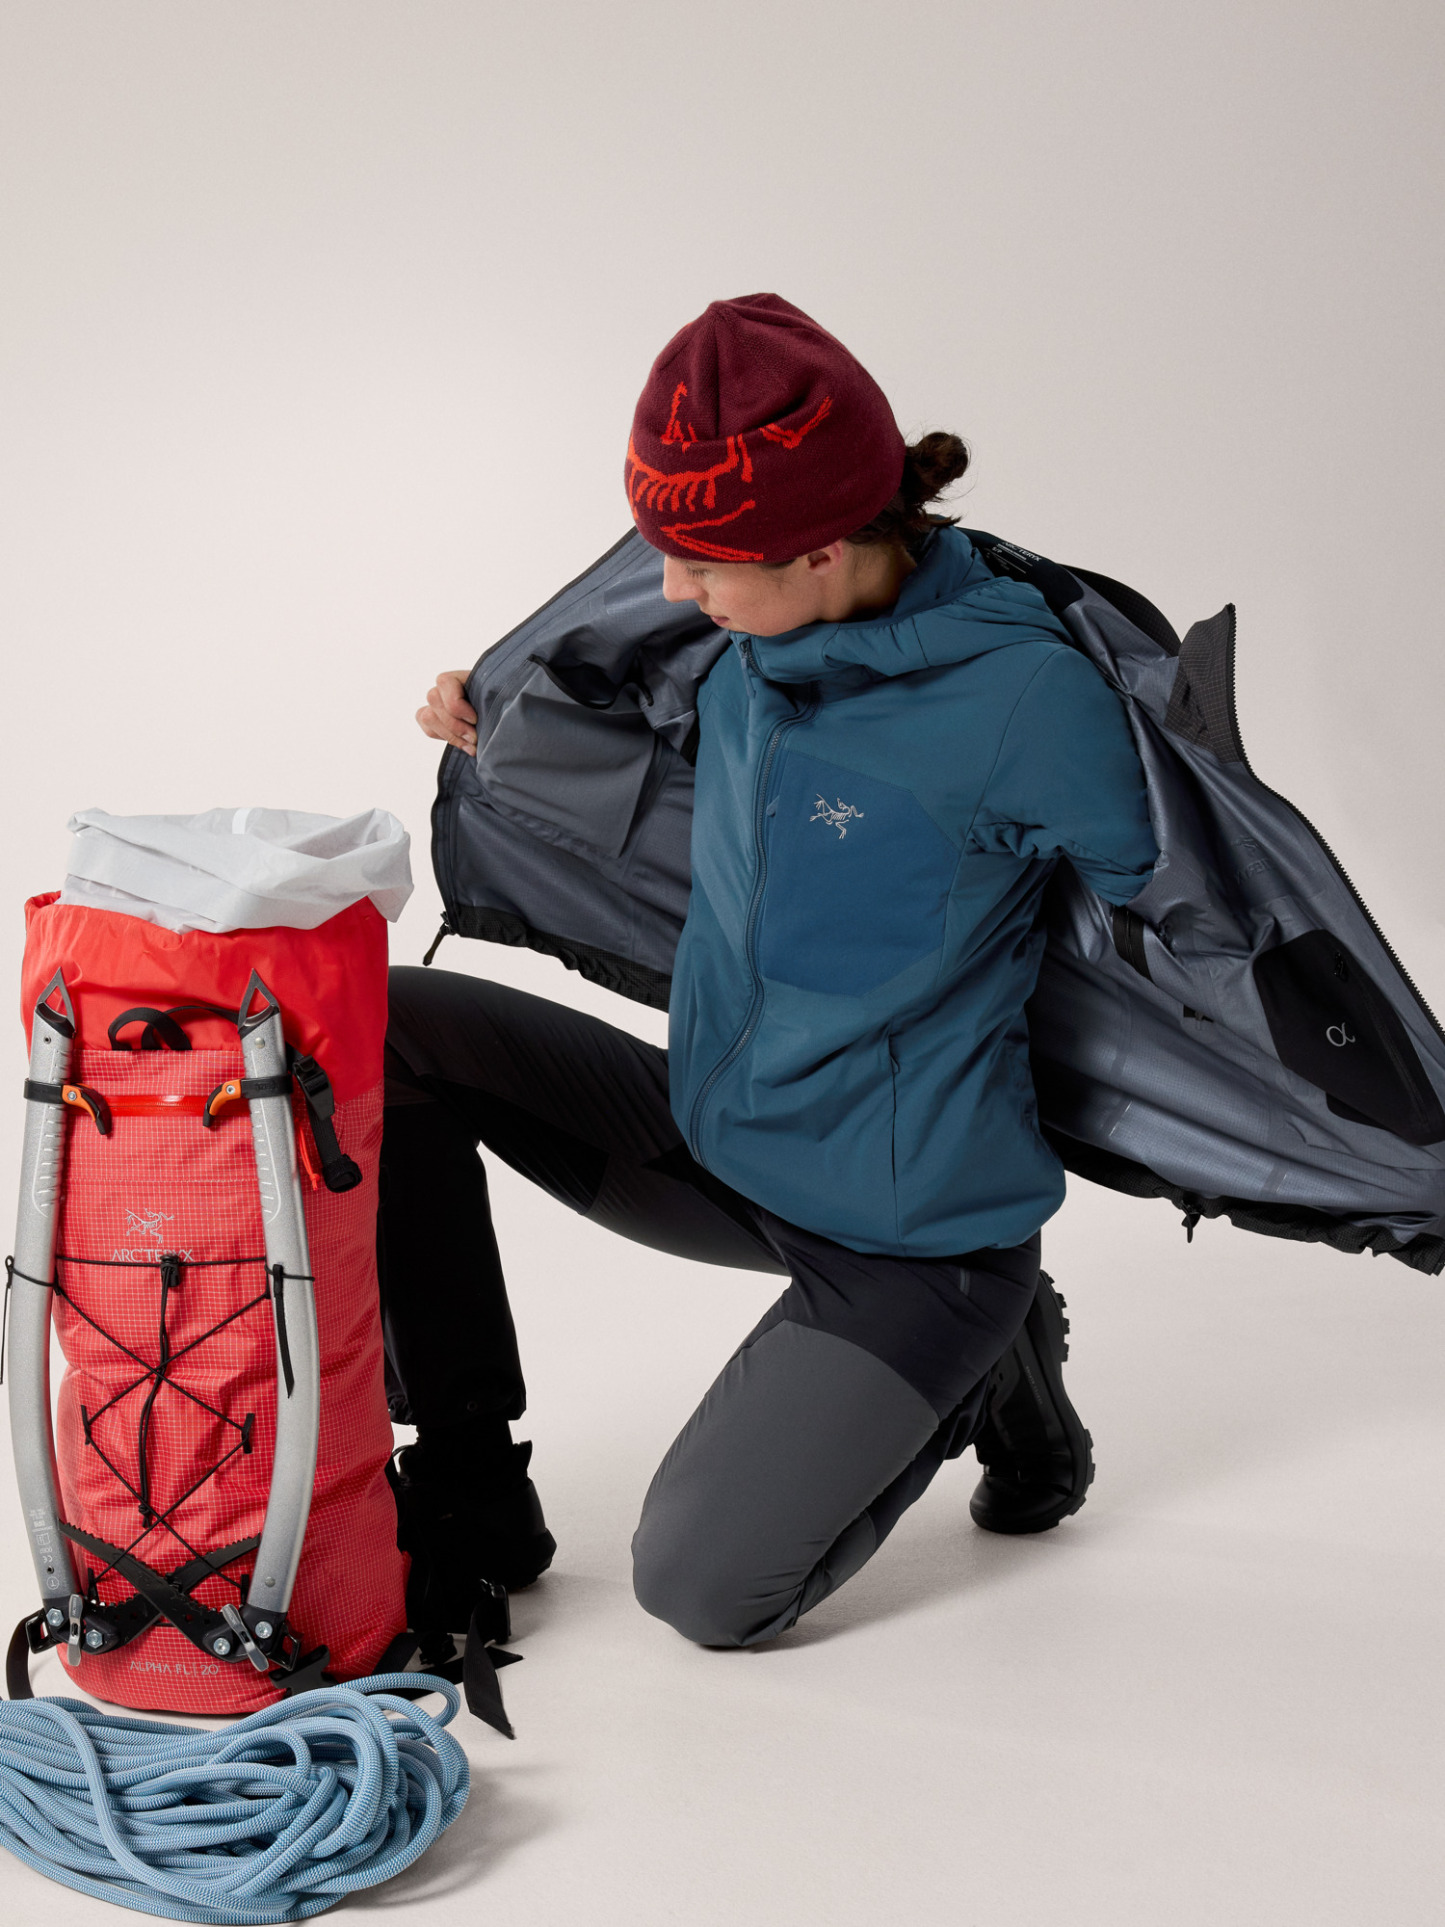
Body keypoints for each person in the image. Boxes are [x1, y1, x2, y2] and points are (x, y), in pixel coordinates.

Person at [381, 293, 1159, 1649]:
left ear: (820, 548)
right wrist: (499, 720)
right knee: (367, 1025)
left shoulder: (1029, 704)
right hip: (717, 1136)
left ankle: (987, 1353)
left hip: (910, 1237)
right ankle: (468, 1479)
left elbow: (1181, 925)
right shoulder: (748, 639)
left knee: (703, 1591)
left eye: (699, 566)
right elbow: (663, 760)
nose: (670, 593)